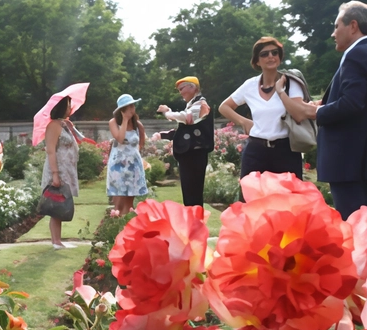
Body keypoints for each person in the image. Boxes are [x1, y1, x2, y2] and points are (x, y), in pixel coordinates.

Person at [289, 1, 367, 220]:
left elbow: (352, 103)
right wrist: (323, 105)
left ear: (353, 26)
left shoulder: (357, 54)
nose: (333, 33)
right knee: (362, 225)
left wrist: (314, 113)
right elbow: (360, 101)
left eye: (337, 26)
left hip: (349, 160)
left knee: (353, 228)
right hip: (360, 160)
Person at [219, 37, 311, 180]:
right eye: (264, 54)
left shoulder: (291, 82)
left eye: (275, 53)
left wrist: (281, 92)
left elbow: (298, 114)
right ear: (257, 60)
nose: (270, 56)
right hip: (255, 151)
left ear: (280, 57)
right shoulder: (250, 85)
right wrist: (244, 122)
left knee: (288, 199)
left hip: (285, 151)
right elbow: (224, 107)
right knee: (251, 199)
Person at [157, 77, 213, 206]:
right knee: (189, 193)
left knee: (193, 194)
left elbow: (186, 117)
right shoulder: (193, 104)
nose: (181, 93)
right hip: (189, 154)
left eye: (182, 89)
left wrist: (167, 113)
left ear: (193, 88)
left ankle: (195, 223)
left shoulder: (201, 104)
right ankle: (191, 222)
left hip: (195, 154)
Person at [41, 96, 83, 250]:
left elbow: (80, 140)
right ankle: (56, 242)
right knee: (56, 205)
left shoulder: (64, 125)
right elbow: (51, 150)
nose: (70, 108)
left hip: (67, 170)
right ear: (62, 106)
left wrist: (70, 127)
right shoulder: (53, 126)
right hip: (58, 170)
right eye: (68, 105)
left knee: (61, 204)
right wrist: (55, 174)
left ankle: (58, 241)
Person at [106, 94, 149, 216]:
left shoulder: (137, 124)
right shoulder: (113, 122)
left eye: (133, 105)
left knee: (130, 199)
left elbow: (141, 141)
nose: (132, 109)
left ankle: (128, 222)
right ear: (122, 109)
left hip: (133, 165)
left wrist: (133, 154)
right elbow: (120, 138)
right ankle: (117, 222)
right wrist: (124, 120)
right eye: (129, 106)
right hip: (118, 166)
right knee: (118, 200)